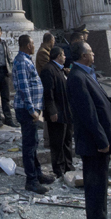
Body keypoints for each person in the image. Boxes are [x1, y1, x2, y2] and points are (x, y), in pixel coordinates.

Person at [66, 41, 111, 219]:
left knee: (101, 186)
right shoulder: (76, 78)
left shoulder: (88, 74)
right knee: (94, 188)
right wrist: (101, 141)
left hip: (99, 141)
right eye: (90, 51)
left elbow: (97, 101)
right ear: (83, 56)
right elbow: (87, 114)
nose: (93, 53)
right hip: (93, 143)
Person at [12, 34, 55, 194]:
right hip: (27, 110)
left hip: (32, 109)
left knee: (33, 143)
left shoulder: (26, 59)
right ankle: (31, 180)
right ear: (26, 45)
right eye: (32, 43)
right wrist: (31, 110)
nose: (34, 46)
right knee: (29, 146)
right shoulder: (22, 62)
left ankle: (37, 174)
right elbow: (23, 88)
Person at [40, 46, 73, 178]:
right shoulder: (48, 70)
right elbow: (48, 93)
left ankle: (68, 166)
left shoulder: (61, 70)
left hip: (66, 112)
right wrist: (52, 111)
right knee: (57, 142)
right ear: (58, 56)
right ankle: (59, 169)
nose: (65, 57)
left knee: (67, 140)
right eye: (63, 55)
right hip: (56, 113)